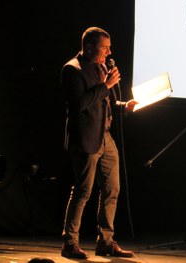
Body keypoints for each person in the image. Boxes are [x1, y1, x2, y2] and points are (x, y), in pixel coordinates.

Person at [60, 26, 137, 259]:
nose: (109, 52)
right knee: (83, 191)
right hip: (85, 138)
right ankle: (70, 243)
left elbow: (107, 102)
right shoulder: (72, 70)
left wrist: (125, 106)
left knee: (112, 189)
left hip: (105, 136)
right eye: (105, 47)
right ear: (90, 46)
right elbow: (79, 105)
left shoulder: (102, 67)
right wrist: (107, 85)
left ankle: (105, 241)